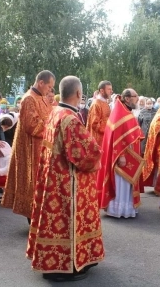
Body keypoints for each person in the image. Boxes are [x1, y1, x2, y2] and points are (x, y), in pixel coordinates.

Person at [27, 76, 104, 282]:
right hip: (67, 183)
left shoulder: (54, 112)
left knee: (55, 222)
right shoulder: (69, 118)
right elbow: (84, 154)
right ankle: (66, 267)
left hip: (52, 177)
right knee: (65, 222)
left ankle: (58, 261)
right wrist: (99, 153)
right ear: (78, 94)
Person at [1, 70, 54, 221]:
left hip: (42, 146)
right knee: (33, 183)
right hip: (30, 148)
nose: (50, 90)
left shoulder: (42, 97)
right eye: (49, 87)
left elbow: (49, 115)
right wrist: (51, 127)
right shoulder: (29, 99)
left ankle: (41, 217)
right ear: (41, 82)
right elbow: (32, 125)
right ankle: (34, 219)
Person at [97, 89, 144, 218]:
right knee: (121, 183)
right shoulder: (120, 113)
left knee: (126, 183)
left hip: (129, 154)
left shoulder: (124, 110)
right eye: (135, 96)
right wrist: (121, 156)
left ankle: (126, 208)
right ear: (127, 99)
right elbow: (118, 138)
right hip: (122, 156)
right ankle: (119, 210)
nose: (138, 99)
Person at [86, 81, 112, 146]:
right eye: (109, 89)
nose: (111, 91)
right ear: (102, 91)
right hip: (97, 141)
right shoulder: (96, 104)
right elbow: (94, 124)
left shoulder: (105, 103)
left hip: (104, 138)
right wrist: (109, 128)